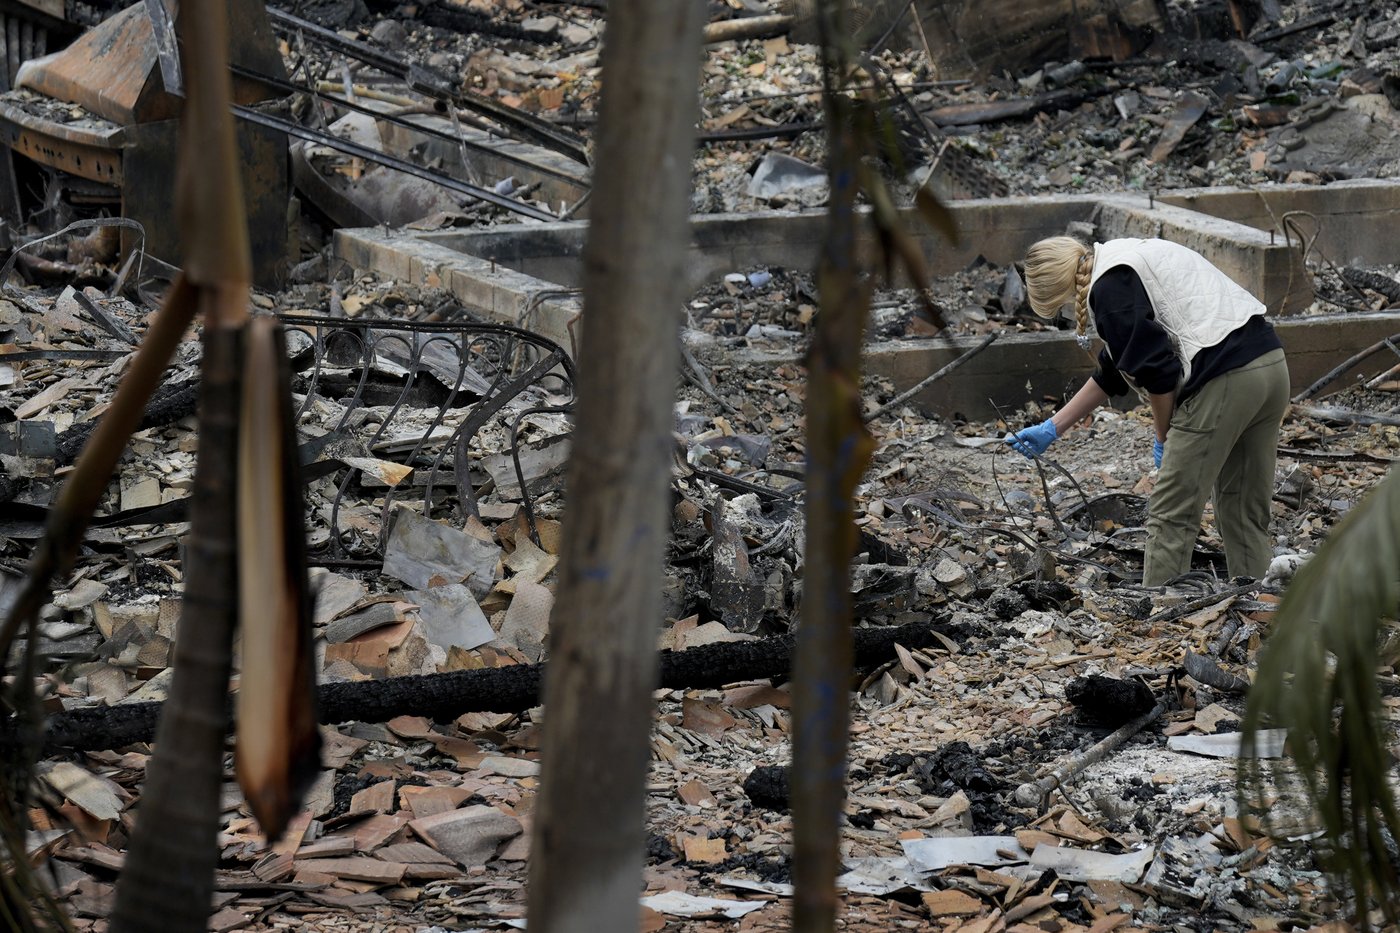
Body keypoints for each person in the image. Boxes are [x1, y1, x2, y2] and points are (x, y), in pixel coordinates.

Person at [1005, 235, 1289, 586]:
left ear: (1054, 290)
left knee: (1171, 513)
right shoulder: (1123, 258)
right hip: (1270, 366)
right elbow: (1113, 370)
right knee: (1242, 506)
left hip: (1224, 381)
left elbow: (1157, 373)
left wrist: (1163, 435)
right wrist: (1052, 427)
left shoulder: (1109, 290)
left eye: (1059, 306)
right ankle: (1259, 604)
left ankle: (1160, 612)